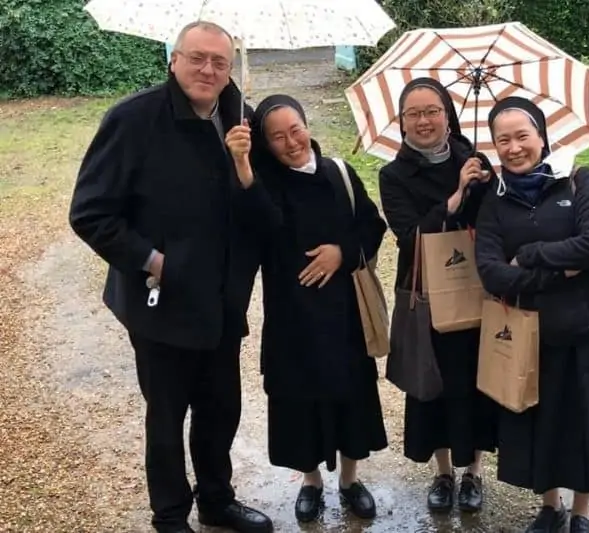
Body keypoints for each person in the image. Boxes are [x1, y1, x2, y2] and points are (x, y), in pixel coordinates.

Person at [68, 21, 272, 533]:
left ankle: (217, 500)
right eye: (197, 58)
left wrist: (246, 165)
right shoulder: (133, 120)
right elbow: (90, 213)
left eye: (220, 63)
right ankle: (170, 514)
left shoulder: (240, 119)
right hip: (160, 300)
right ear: (173, 60)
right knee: (166, 417)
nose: (208, 70)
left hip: (223, 298)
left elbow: (259, 211)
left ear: (230, 70)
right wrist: (156, 262)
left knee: (221, 407)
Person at [474, 96, 589, 533]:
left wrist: (530, 255)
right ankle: (550, 506)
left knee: (585, 425)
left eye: (522, 136)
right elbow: (492, 274)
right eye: (503, 140)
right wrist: (560, 271)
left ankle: (582, 511)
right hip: (532, 335)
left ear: (541, 136)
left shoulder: (578, 180)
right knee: (541, 426)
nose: (514, 148)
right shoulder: (494, 201)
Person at [224, 94, 389, 524]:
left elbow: (372, 226)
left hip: (344, 314)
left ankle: (351, 480)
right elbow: (262, 229)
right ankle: (311, 480)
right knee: (298, 402)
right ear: (266, 142)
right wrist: (243, 168)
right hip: (292, 315)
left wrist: (342, 252)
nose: (290, 142)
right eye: (277, 137)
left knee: (351, 396)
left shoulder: (339, 173)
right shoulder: (264, 181)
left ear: (307, 124)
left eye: (295, 129)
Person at [378, 77, 497, 513]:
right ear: (402, 122)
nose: (424, 121)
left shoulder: (474, 160)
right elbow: (409, 237)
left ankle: (474, 474)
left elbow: (495, 223)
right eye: (414, 113)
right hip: (429, 294)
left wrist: (483, 184)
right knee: (434, 383)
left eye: (433, 111)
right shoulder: (393, 175)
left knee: (475, 381)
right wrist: (453, 198)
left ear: (448, 116)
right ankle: (443, 472)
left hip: (476, 289)